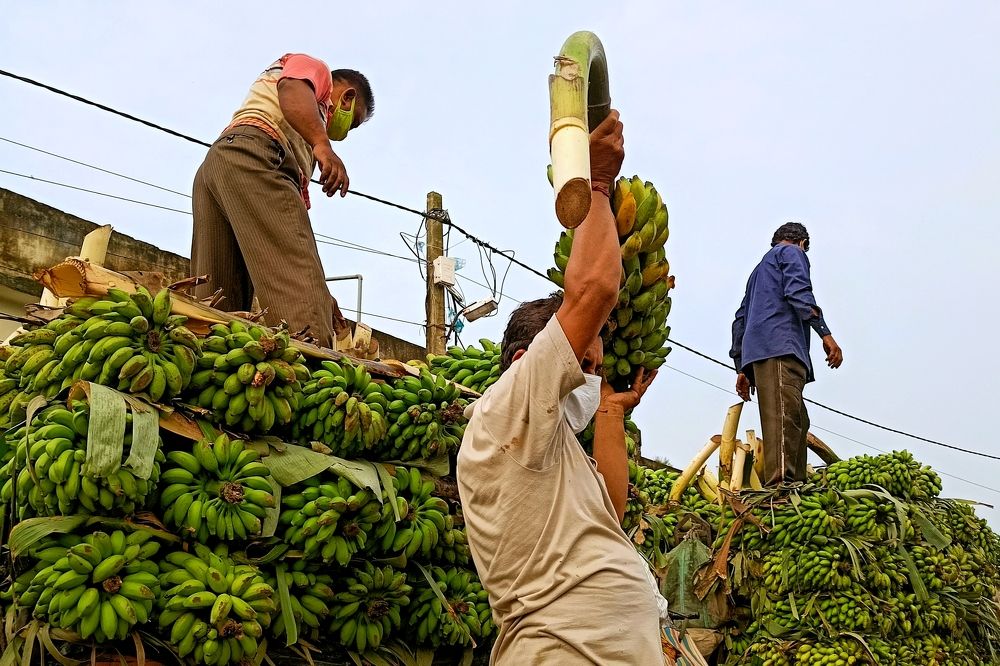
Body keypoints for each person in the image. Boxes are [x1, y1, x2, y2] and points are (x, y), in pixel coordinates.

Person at [456, 110, 666, 664]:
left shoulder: (547, 453)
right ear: (528, 360)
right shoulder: (504, 415)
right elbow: (594, 288)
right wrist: (595, 185)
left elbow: (610, 514)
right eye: (585, 365)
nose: (590, 379)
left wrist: (612, 415)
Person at [190, 54, 373, 347]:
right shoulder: (316, 72)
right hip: (255, 156)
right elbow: (291, 88)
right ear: (348, 97)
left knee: (217, 305)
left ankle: (206, 371)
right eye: (353, 122)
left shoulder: (301, 133)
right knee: (303, 308)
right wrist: (322, 145)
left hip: (219, 165)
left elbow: (284, 246)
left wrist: (321, 294)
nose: (344, 132)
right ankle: (317, 384)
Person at [730, 222, 844, 485]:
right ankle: (781, 489)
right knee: (784, 419)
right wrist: (825, 334)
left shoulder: (758, 272)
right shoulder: (792, 253)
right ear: (802, 242)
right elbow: (798, 291)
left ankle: (797, 485)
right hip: (780, 346)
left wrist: (741, 366)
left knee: (797, 421)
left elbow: (740, 320)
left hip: (760, 353)